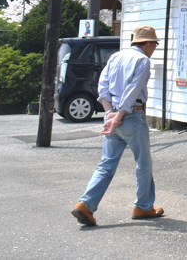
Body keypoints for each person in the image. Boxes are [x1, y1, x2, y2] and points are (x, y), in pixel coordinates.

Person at [71, 26, 165, 226]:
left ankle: (85, 204)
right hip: (132, 115)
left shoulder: (115, 57)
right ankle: (143, 207)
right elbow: (133, 90)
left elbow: (102, 85)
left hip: (113, 114)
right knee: (143, 163)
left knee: (106, 164)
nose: (154, 47)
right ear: (147, 43)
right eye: (154, 44)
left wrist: (110, 114)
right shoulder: (142, 61)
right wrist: (120, 114)